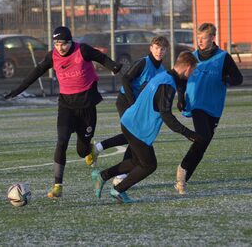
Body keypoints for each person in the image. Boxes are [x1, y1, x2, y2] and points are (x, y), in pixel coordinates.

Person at [4, 26, 122, 199]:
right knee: (62, 141)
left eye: (63, 44)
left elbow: (100, 57)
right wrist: (18, 89)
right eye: (57, 43)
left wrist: (113, 66)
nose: (60, 48)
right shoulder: (53, 55)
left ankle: (90, 149)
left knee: (82, 152)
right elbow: (37, 71)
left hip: (87, 106)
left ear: (70, 41)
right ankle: (57, 185)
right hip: (66, 106)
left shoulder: (82, 49)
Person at [91, 51, 201, 203]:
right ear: (188, 68)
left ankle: (102, 176)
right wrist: (189, 133)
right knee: (149, 165)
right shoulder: (167, 85)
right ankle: (117, 190)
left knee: (137, 162)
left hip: (130, 122)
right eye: (193, 70)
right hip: (137, 128)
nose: (193, 73)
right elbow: (167, 116)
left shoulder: (165, 76)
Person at [174, 22, 243, 195]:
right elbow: (181, 79)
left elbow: (238, 78)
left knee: (202, 144)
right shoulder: (191, 57)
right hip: (196, 105)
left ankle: (182, 178)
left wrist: (226, 77)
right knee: (202, 137)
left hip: (214, 107)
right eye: (198, 38)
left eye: (203, 38)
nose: (200, 42)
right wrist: (181, 98)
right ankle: (182, 173)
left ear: (212, 38)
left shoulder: (223, 57)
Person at [93, 36, 169, 184]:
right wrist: (133, 103)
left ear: (166, 51)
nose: (159, 51)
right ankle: (115, 169)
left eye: (163, 48)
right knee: (134, 136)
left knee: (135, 138)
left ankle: (109, 160)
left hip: (138, 107)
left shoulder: (162, 71)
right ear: (151, 48)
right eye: (157, 47)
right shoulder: (143, 62)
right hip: (125, 100)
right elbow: (126, 79)